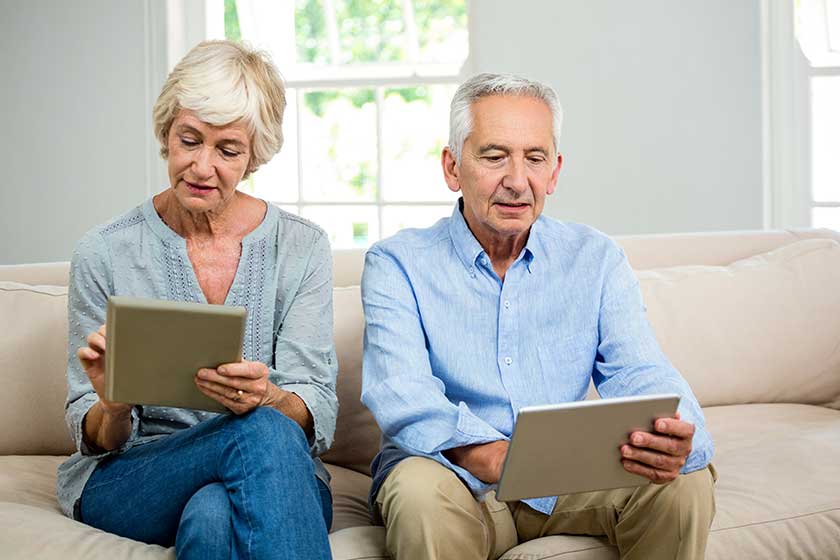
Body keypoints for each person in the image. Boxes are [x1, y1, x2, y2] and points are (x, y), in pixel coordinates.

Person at [360, 73, 716, 560]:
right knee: (419, 494)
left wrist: (680, 436)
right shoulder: (397, 263)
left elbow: (640, 370)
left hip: (566, 478)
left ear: (554, 171)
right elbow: (401, 393)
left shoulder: (595, 258)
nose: (517, 180)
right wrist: (490, 454)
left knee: (679, 485)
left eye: (535, 158)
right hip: (451, 477)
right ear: (451, 167)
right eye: (493, 156)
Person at [56, 40, 336, 559]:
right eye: (190, 141)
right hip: (137, 475)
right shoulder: (105, 251)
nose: (202, 167)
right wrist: (113, 404)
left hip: (277, 476)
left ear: (254, 155)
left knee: (213, 513)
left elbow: (314, 404)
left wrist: (270, 399)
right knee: (257, 435)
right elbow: (91, 433)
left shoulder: (301, 246)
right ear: (167, 134)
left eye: (228, 150)